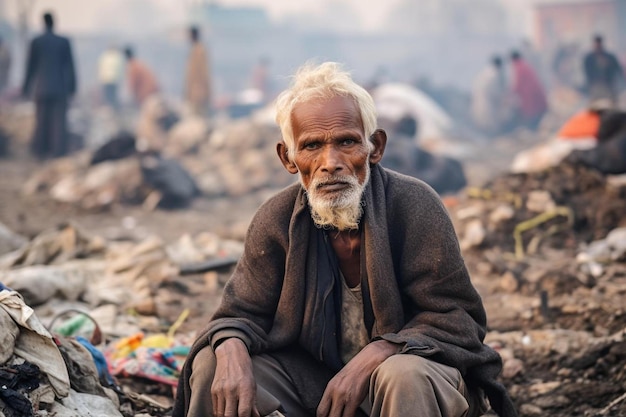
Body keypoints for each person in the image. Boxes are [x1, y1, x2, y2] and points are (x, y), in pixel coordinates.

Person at [173, 62, 517, 417]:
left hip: (410, 381)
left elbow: (459, 318)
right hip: (315, 385)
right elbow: (239, 313)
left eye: (347, 142)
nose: (330, 162)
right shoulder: (275, 219)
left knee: (404, 375)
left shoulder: (415, 206)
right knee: (214, 362)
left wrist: (380, 352)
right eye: (311, 146)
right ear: (288, 159)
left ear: (375, 147)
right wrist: (230, 351)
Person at [21, 11, 77, 158]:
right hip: (60, 88)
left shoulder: (37, 42)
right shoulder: (63, 42)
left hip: (41, 88)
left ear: (43, 23)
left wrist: (26, 88)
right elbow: (70, 66)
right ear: (54, 23)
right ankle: (57, 152)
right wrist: (72, 88)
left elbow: (30, 67)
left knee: (42, 121)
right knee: (58, 123)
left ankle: (40, 151)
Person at [471, 55, 514, 136]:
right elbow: (495, 91)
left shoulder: (485, 73)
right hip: (487, 102)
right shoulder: (494, 75)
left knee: (484, 120)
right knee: (490, 122)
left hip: (480, 101)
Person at [582, 34, 625, 106]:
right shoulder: (589, 58)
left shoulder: (609, 57)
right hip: (595, 85)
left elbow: (618, 69)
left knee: (611, 103)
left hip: (608, 85)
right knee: (595, 104)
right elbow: (587, 72)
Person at [510, 50, 548, 130]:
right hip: (533, 93)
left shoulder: (519, 67)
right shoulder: (524, 65)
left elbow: (518, 84)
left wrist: (511, 93)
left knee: (532, 114)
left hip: (530, 95)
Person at [184, 26, 211, 115]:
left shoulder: (200, 51)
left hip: (199, 91)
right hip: (194, 91)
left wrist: (206, 91)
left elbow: (203, 73)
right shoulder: (194, 50)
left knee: (199, 118)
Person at [97, 45, 124, 109]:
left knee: (110, 95)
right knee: (111, 95)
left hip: (109, 79)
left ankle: (110, 108)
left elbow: (101, 67)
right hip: (111, 79)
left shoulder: (104, 56)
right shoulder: (117, 57)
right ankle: (111, 108)